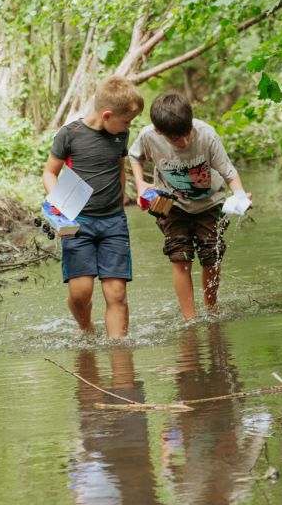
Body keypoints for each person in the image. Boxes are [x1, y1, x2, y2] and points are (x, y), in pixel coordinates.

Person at [128, 90, 250, 320]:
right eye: (175, 139)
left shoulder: (207, 135)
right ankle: (189, 319)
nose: (183, 142)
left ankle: (211, 310)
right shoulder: (147, 136)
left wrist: (241, 197)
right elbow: (135, 156)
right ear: (159, 131)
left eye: (186, 134)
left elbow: (229, 173)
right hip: (170, 204)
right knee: (179, 256)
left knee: (210, 256)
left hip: (210, 203)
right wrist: (140, 183)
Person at [43, 76, 144, 338]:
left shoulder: (119, 134)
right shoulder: (70, 135)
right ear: (108, 115)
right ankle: (87, 329)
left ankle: (119, 354)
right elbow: (49, 173)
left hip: (113, 221)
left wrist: (121, 200)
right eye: (126, 121)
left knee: (117, 293)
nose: (128, 127)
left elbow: (119, 169)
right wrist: (60, 207)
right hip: (77, 223)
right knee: (80, 293)